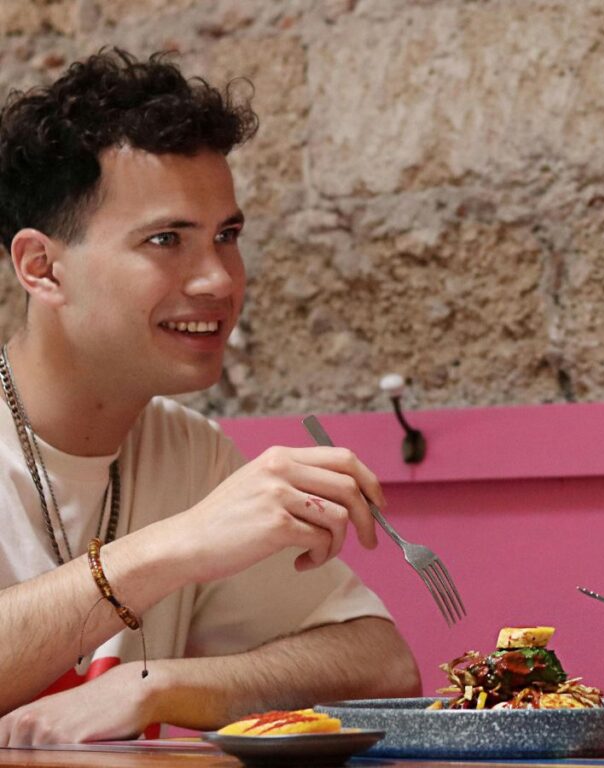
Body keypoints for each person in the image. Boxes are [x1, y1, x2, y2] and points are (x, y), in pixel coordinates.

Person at [0, 49, 421, 746]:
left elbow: (383, 665)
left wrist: (159, 685)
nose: (220, 282)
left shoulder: (188, 451)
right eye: (166, 240)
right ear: (41, 268)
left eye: (227, 237)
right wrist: (179, 545)